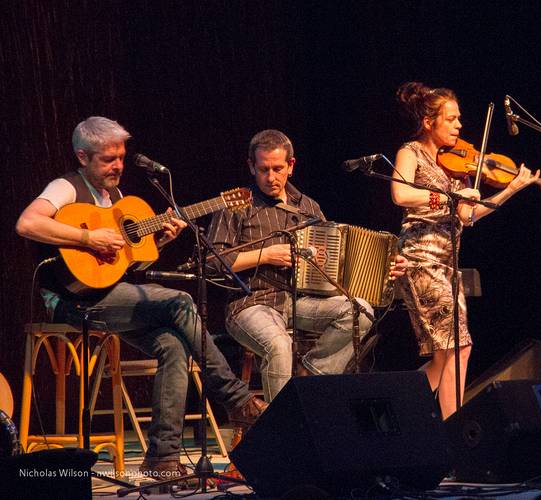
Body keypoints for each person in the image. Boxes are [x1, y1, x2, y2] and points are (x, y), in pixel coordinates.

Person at [15, 116, 263, 481]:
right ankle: (237, 399)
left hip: (109, 293)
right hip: (71, 299)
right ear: (83, 157)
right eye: (107, 159)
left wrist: (160, 238)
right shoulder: (65, 188)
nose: (118, 166)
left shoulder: (115, 199)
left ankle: (162, 461)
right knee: (180, 302)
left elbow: (131, 261)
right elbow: (27, 223)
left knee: (175, 347)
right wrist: (88, 239)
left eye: (120, 157)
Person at [206, 129, 405, 403]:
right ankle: (284, 426)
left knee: (361, 312)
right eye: (263, 169)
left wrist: (385, 268)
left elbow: (335, 268)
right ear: (251, 166)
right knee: (279, 344)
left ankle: (308, 379)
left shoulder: (309, 208)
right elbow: (213, 263)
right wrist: (265, 254)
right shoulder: (235, 205)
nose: (271, 177)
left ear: (291, 166)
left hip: (303, 302)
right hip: (251, 304)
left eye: (278, 168)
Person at [391, 82, 539, 418]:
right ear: (429, 122)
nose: (459, 125)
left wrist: (511, 189)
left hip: (447, 264)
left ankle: (396, 409)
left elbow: (467, 214)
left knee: (450, 354)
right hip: (420, 260)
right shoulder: (410, 152)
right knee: (458, 348)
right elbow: (400, 194)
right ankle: (451, 430)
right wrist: (448, 198)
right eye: (452, 119)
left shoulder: (450, 165)